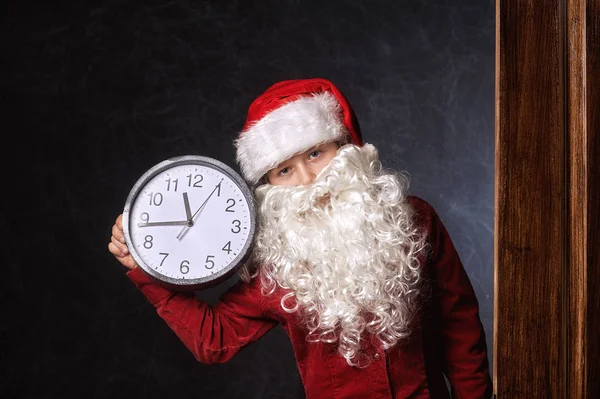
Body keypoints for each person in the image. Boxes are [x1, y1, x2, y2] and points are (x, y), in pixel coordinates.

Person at [108, 78, 493, 398]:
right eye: (284, 171)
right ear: (269, 184)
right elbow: (215, 340)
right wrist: (145, 268)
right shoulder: (279, 260)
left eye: (314, 154)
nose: (309, 180)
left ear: (344, 146)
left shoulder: (413, 219)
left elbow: (458, 323)